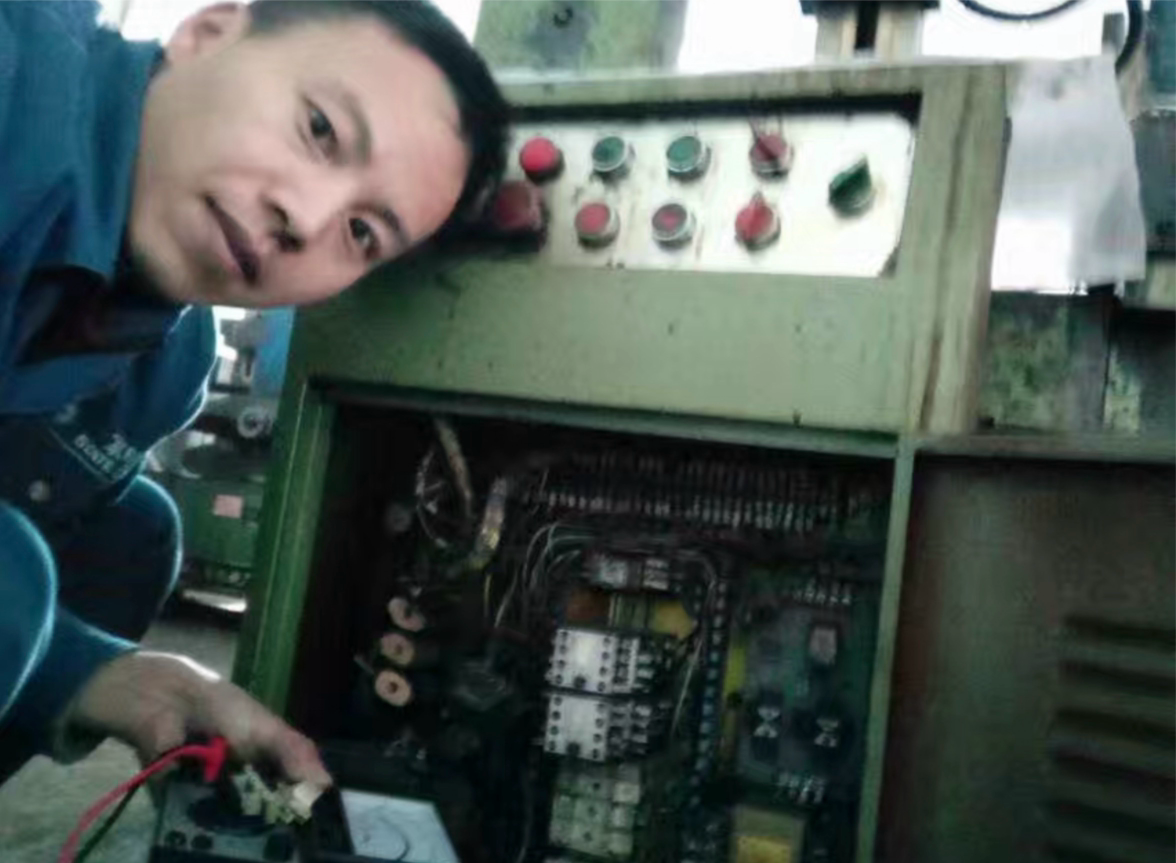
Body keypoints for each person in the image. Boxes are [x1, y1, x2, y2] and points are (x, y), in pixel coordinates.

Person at [0, 0, 507, 789]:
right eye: (320, 129)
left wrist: (86, 671)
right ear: (207, 32)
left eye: (363, 233)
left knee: (135, 534)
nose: (305, 217)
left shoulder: (169, 365)